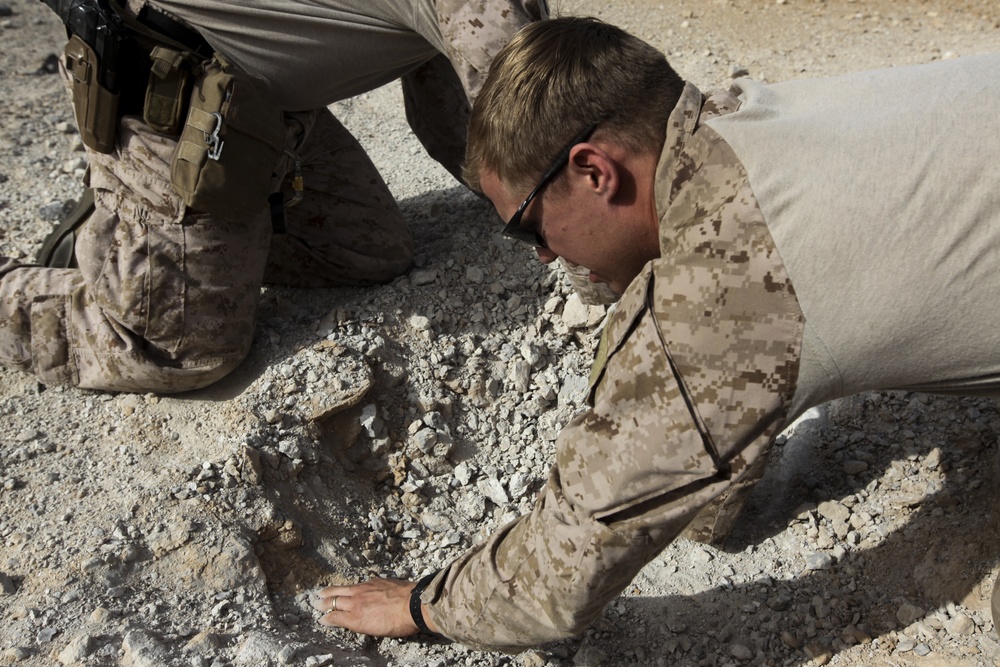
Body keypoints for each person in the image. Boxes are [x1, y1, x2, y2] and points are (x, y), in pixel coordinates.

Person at [311, 17, 1000, 653]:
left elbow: (551, 584)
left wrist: (426, 604)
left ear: (593, 171)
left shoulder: (729, 281)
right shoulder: (740, 113)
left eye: (527, 225)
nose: (544, 254)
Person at [0, 0, 546, 393]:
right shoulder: (488, 13)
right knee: (186, 350)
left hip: (263, 108)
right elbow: (543, 158)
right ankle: (127, 243)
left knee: (368, 252)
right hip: (173, 96)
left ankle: (142, 243)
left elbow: (458, 115)